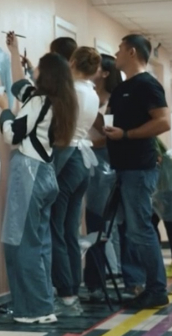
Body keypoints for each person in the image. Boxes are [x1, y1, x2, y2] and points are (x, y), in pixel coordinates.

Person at [0, 32, 78, 325]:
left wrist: (4, 109)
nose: (35, 71)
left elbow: (12, 134)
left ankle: (32, 310)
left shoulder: (39, 101)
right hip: (46, 175)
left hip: (28, 173)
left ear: (48, 75)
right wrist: (14, 50)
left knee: (20, 243)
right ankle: (43, 305)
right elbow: (20, 85)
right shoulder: (57, 102)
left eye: (39, 68)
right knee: (40, 244)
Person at [104, 35, 171, 309]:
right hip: (124, 167)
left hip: (139, 169)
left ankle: (157, 289)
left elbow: (163, 121)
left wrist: (127, 134)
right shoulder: (122, 88)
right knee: (132, 230)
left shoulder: (146, 85)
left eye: (120, 49)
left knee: (140, 229)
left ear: (132, 52)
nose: (116, 53)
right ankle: (143, 284)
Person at [49, 47, 100, 316]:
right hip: (81, 161)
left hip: (67, 158)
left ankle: (65, 293)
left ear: (72, 62)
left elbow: (58, 127)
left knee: (56, 229)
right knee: (70, 231)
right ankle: (72, 291)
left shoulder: (73, 92)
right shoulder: (91, 93)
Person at [83, 54, 124, 301]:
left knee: (99, 223)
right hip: (89, 163)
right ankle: (95, 281)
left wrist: (84, 141)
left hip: (102, 166)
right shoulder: (89, 94)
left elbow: (107, 136)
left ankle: (100, 280)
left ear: (105, 73)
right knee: (95, 223)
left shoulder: (110, 100)